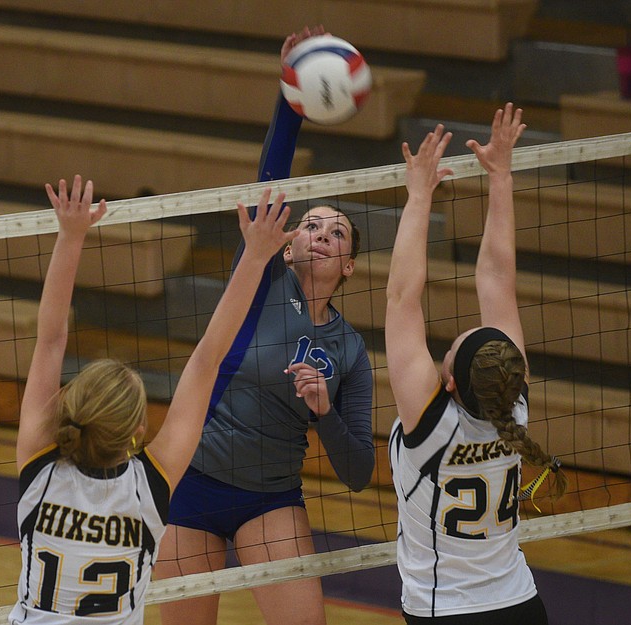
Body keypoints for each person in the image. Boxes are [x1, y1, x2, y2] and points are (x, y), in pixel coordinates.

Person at [157, 27, 375, 625]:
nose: (321, 232)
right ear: (284, 244)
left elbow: (359, 473)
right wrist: (289, 95)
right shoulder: (257, 281)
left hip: (270, 499)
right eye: (310, 224)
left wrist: (325, 410)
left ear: (349, 265)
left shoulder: (351, 352)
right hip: (191, 483)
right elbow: (271, 180)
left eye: (336, 232)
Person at [10, 176, 298, 625]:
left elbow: (50, 340)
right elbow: (208, 359)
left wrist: (70, 236)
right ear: (137, 431)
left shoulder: (40, 466)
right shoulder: (148, 486)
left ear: (70, 405)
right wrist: (256, 258)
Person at [385, 105, 568, 624]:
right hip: (519, 604)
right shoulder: (515, 406)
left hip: (447, 613)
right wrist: (501, 175)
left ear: (447, 380)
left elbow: (402, 298)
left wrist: (419, 195)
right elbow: (497, 280)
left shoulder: (432, 421)